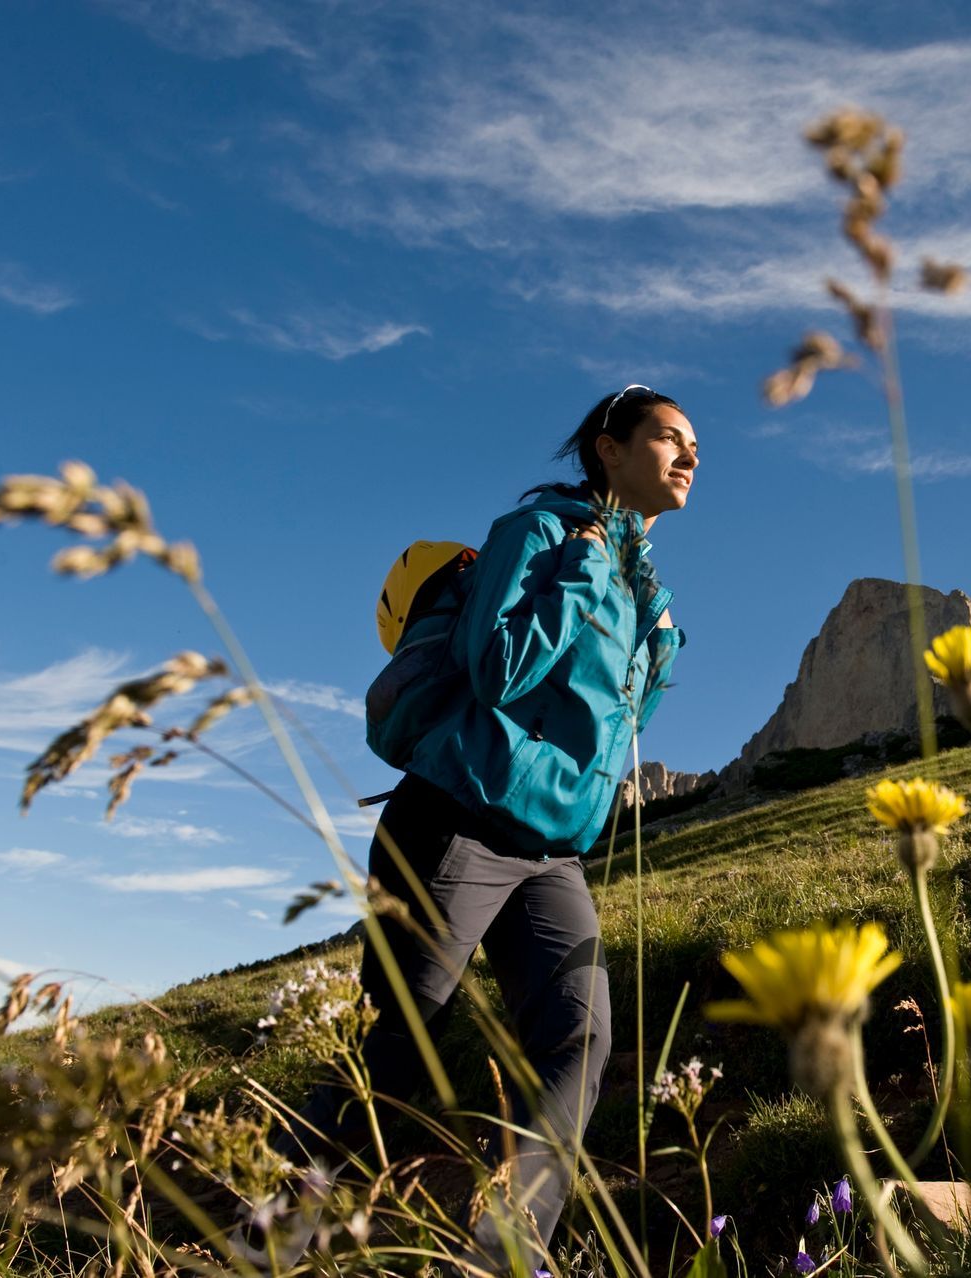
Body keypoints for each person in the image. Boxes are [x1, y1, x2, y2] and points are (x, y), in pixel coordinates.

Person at [296, 385, 697, 1268]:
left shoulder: (638, 585)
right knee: (394, 1050)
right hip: (461, 818)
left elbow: (617, 729)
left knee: (580, 1040)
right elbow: (499, 667)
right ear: (608, 448)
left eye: (695, 446)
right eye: (670, 437)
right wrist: (586, 571)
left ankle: (502, 1255)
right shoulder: (541, 533)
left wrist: (655, 640)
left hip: (554, 853)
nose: (689, 456)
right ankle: (270, 1239)